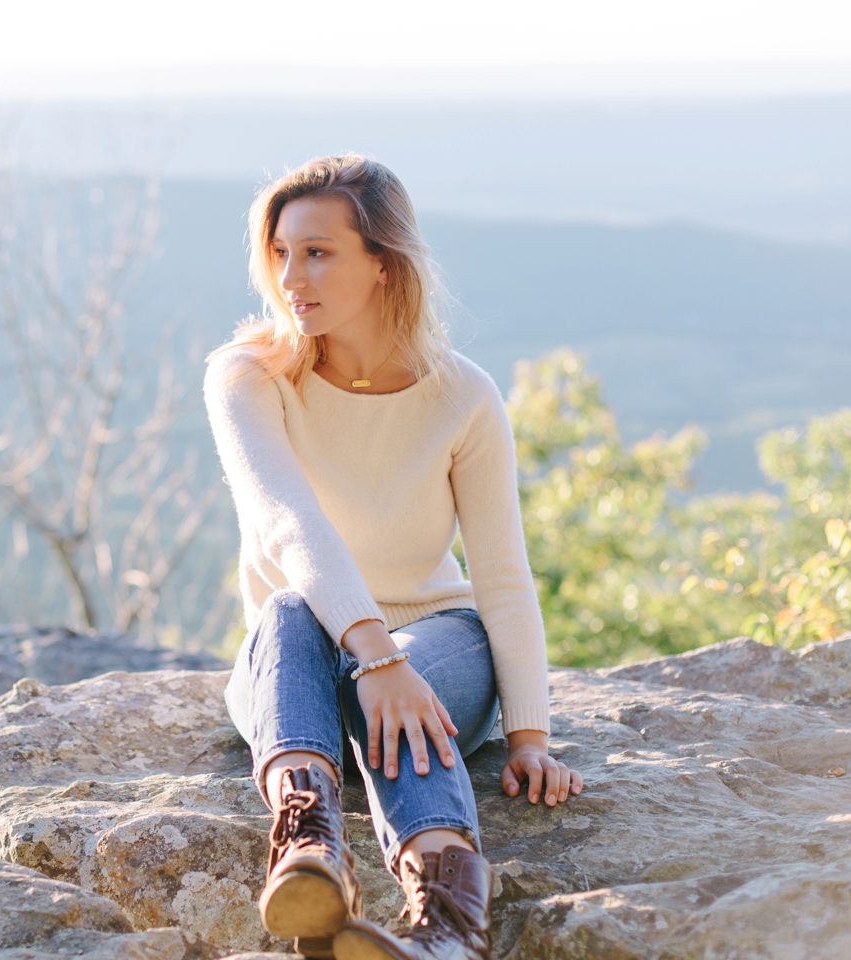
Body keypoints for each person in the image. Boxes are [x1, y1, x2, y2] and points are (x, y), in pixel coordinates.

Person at [203, 155, 584, 960]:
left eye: (317, 251)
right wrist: (374, 658)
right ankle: (309, 849)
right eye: (279, 253)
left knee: (420, 653)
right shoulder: (247, 377)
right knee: (289, 606)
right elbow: (287, 523)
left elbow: (503, 576)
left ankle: (443, 926)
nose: (290, 275)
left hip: (438, 652)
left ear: (382, 262)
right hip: (297, 669)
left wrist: (530, 738)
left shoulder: (462, 396)